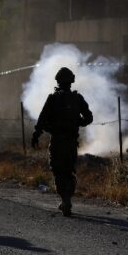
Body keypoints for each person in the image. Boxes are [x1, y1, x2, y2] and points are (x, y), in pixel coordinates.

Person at [32, 67, 93, 217]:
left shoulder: (53, 98)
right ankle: (68, 199)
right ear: (71, 81)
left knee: (58, 170)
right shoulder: (77, 99)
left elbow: (42, 119)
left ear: (58, 81)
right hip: (71, 142)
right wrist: (76, 122)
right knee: (69, 170)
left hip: (58, 141)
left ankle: (65, 199)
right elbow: (89, 118)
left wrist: (37, 134)